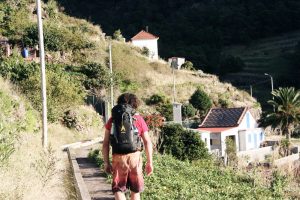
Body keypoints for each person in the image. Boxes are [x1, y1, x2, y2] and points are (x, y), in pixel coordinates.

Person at [102, 93, 153, 200]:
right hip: (135, 157)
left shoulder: (113, 120)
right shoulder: (138, 118)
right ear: (135, 104)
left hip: (118, 157)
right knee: (135, 190)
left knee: (118, 189)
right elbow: (147, 141)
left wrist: (106, 162)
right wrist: (149, 162)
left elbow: (106, 143)